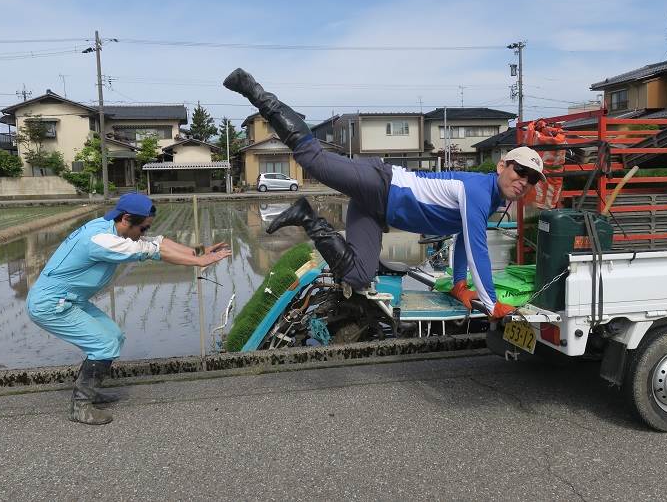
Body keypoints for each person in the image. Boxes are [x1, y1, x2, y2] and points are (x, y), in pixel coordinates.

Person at [223, 68, 545, 320]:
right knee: (312, 159)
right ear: (502, 165)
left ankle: (307, 216)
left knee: (359, 276)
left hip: (378, 211)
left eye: (531, 180)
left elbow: (463, 241)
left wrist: (460, 284)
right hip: (382, 183)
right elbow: (478, 249)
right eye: (519, 171)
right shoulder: (476, 190)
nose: (523, 181)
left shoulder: (487, 201)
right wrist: (491, 303)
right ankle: (255, 91)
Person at [26, 193, 231, 425]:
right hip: (51, 304)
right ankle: (81, 406)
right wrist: (199, 263)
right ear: (125, 219)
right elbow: (153, 251)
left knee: (113, 336)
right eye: (142, 228)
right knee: (102, 343)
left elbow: (157, 242)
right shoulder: (100, 241)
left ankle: (90, 393)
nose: (143, 233)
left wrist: (196, 252)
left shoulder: (108, 227)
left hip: (70, 300)